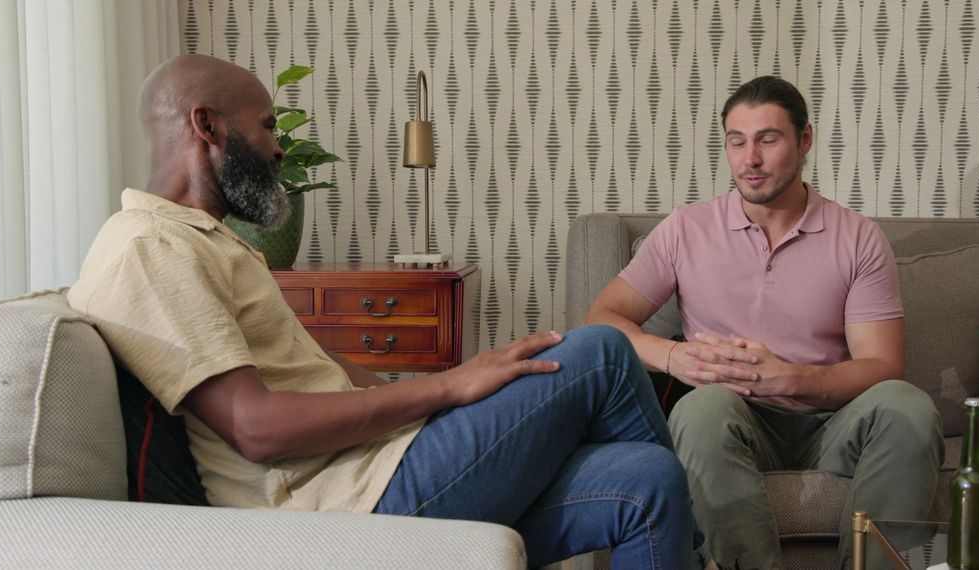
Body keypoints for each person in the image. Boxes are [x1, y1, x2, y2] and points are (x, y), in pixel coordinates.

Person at [67, 54, 701, 569]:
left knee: (647, 479)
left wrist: (445, 399)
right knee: (601, 352)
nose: (279, 149)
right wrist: (451, 387)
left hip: (376, 463)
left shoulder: (207, 241)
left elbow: (312, 368)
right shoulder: (153, 246)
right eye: (267, 126)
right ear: (208, 126)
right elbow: (257, 428)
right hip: (342, 503)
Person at [584, 76, 944, 570]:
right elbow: (601, 319)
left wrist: (791, 378)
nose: (749, 159)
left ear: (805, 139)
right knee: (700, 409)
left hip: (834, 421)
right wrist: (673, 356)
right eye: (737, 142)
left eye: (768, 140)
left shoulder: (858, 237)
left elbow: (883, 365)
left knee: (910, 407)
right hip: (735, 419)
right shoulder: (687, 229)